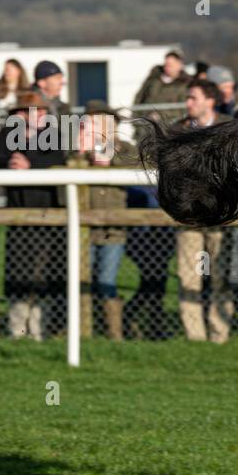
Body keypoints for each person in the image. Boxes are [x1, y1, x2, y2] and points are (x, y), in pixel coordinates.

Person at [0, 91, 68, 340]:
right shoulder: (9, 134)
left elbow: (56, 158)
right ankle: (17, 330)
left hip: (45, 215)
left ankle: (39, 330)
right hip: (18, 216)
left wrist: (29, 163)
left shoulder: (53, 133)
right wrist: (12, 160)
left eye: (40, 111)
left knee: (44, 273)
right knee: (19, 273)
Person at [73, 100, 139, 341]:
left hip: (113, 227)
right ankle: (83, 330)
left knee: (106, 280)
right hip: (83, 228)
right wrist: (80, 156)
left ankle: (114, 332)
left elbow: (140, 169)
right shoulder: (78, 151)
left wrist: (113, 160)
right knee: (83, 278)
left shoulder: (126, 149)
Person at [174, 82, 234, 343]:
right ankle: (195, 337)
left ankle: (219, 333)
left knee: (219, 275)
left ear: (210, 101)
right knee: (190, 276)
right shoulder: (178, 130)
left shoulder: (230, 127)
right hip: (189, 216)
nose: (189, 103)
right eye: (187, 98)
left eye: (193, 98)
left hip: (222, 214)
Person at [133, 50, 191, 124]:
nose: (167, 67)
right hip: (146, 125)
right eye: (166, 64)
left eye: (170, 65)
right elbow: (139, 97)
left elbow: (184, 110)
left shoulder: (185, 85)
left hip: (170, 127)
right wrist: (136, 119)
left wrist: (161, 115)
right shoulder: (153, 79)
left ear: (179, 65)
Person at [0, 58, 30, 123]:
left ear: (18, 71)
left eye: (9, 70)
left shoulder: (27, 90)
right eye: (5, 69)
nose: (6, 72)